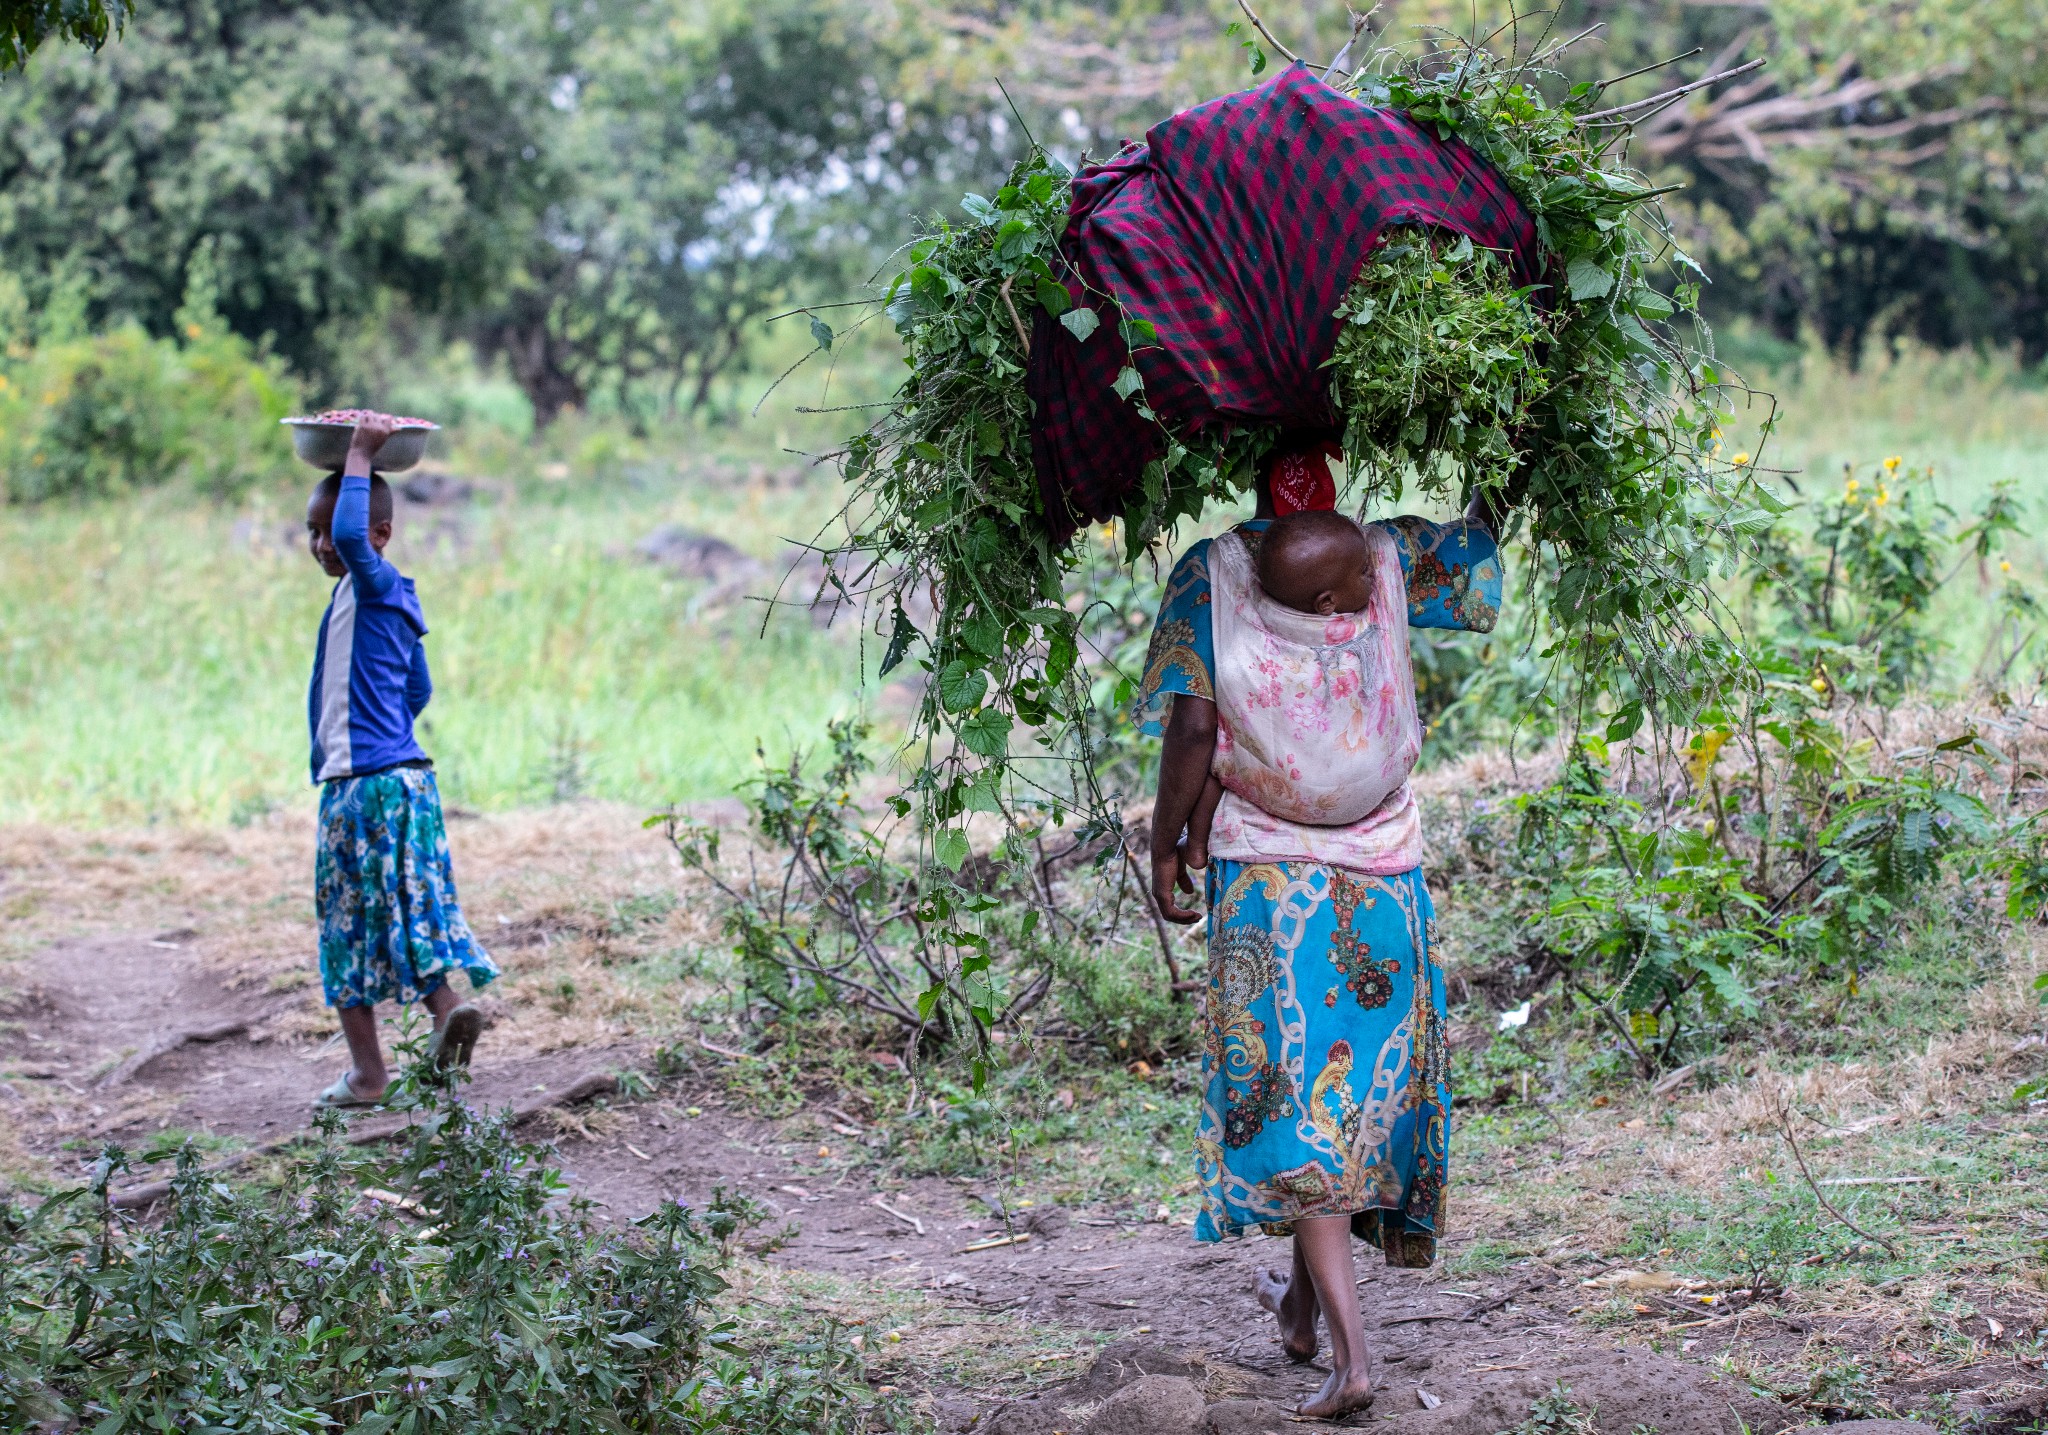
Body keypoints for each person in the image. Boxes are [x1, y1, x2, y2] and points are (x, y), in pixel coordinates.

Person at [1141, 442, 1504, 1418]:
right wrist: (1507, 460)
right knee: (1347, 1102)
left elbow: (1190, 730)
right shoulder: (1381, 557)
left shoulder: (1211, 576)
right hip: (1382, 874)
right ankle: (1300, 1317)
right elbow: (1476, 554)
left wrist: (1165, 843)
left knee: (1305, 1115)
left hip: (1267, 877)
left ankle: (1351, 1357)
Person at [304, 411, 497, 1108]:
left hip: (363, 788)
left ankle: (368, 1074)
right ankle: (449, 1013)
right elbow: (419, 687)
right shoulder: (390, 599)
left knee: (347, 926)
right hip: (409, 781)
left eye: (334, 530)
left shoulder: (373, 578)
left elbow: (353, 534)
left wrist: (361, 450)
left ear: (381, 535)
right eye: (311, 531)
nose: (324, 542)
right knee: (408, 913)